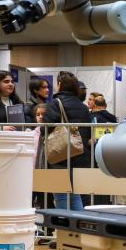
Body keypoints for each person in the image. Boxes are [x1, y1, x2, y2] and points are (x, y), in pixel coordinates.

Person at [44, 71, 91, 211]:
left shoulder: (55, 103)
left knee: (62, 195)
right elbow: (88, 132)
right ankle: (79, 229)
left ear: (59, 85)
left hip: (61, 155)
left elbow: (46, 128)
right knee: (75, 195)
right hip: (80, 154)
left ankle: (66, 230)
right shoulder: (83, 107)